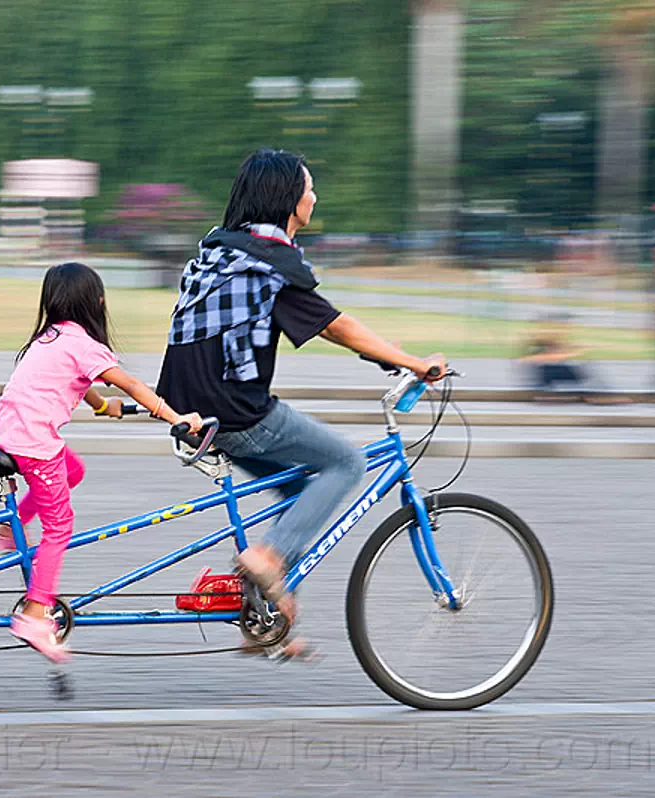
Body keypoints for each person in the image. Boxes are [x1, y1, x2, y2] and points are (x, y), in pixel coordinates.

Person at [156, 148, 446, 658]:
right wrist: (412, 361)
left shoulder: (222, 251)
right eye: (309, 188)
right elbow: (336, 326)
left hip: (189, 411)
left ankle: (264, 617)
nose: (314, 196)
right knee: (346, 461)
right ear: (288, 198)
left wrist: (384, 359)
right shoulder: (271, 263)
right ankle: (267, 560)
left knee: (297, 491)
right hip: (238, 410)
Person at [0, 262, 203, 662]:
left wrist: (105, 407)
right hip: (35, 444)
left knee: (74, 470)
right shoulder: (85, 345)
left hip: (9, 434)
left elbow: (81, 384)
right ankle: (35, 614)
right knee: (59, 528)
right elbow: (133, 384)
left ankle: (12, 524)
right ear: (97, 302)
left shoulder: (48, 338)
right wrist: (176, 418)